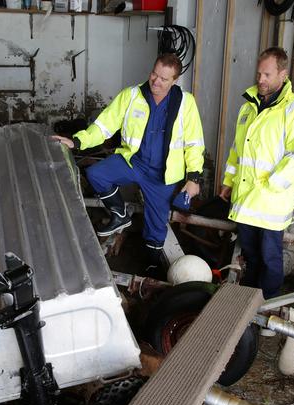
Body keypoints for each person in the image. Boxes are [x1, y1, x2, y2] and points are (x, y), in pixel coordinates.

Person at [53, 53, 205, 273]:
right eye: (154, 74)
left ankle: (153, 265)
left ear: (174, 81)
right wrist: (77, 141)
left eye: (163, 78)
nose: (156, 81)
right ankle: (120, 214)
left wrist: (194, 178)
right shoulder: (131, 95)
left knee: (155, 228)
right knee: (96, 174)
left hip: (162, 176)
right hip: (134, 163)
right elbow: (103, 126)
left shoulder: (185, 103)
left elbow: (194, 143)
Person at [219, 47, 294, 299]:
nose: (260, 79)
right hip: (244, 199)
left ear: (283, 75)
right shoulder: (248, 107)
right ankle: (247, 305)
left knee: (270, 259)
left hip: (269, 204)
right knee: (250, 257)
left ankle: (268, 310)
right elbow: (236, 150)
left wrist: (271, 186)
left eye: (267, 74)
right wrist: (228, 181)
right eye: (259, 73)